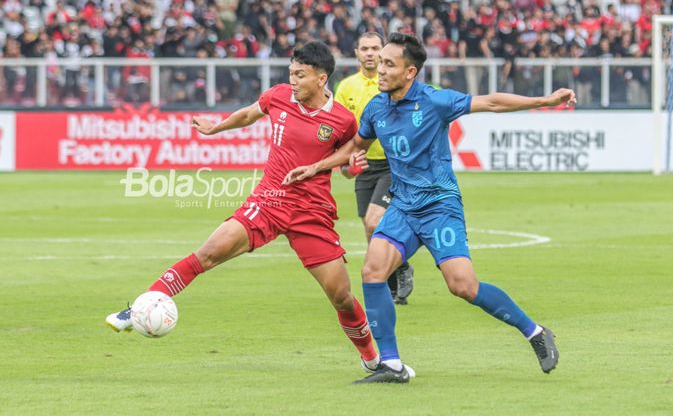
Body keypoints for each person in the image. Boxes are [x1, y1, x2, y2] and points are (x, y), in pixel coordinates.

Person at [284, 33, 572, 383]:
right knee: (373, 270)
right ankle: (390, 364)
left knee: (463, 285)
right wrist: (316, 167)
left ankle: (535, 332)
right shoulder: (376, 106)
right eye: (381, 62)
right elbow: (356, 144)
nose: (381, 70)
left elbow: (491, 102)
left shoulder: (434, 101)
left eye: (390, 64)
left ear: (410, 72)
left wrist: (544, 100)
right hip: (403, 206)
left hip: (439, 206)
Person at [105, 41, 382, 374]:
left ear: (321, 78)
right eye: (291, 72)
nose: (292, 80)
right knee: (208, 253)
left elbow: (348, 161)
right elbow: (250, 114)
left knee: (340, 295)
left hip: (312, 212)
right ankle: (137, 308)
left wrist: (345, 167)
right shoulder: (279, 96)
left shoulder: (341, 120)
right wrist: (216, 128)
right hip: (268, 201)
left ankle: (373, 359)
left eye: (301, 75)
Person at [335, 31, 414, 305]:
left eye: (375, 48)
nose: (369, 53)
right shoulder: (346, 88)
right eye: (364, 48)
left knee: (374, 221)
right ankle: (395, 274)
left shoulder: (392, 83)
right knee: (371, 231)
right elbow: (342, 132)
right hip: (364, 164)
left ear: (383, 53)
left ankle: (396, 272)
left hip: (393, 165)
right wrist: (345, 164)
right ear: (356, 53)